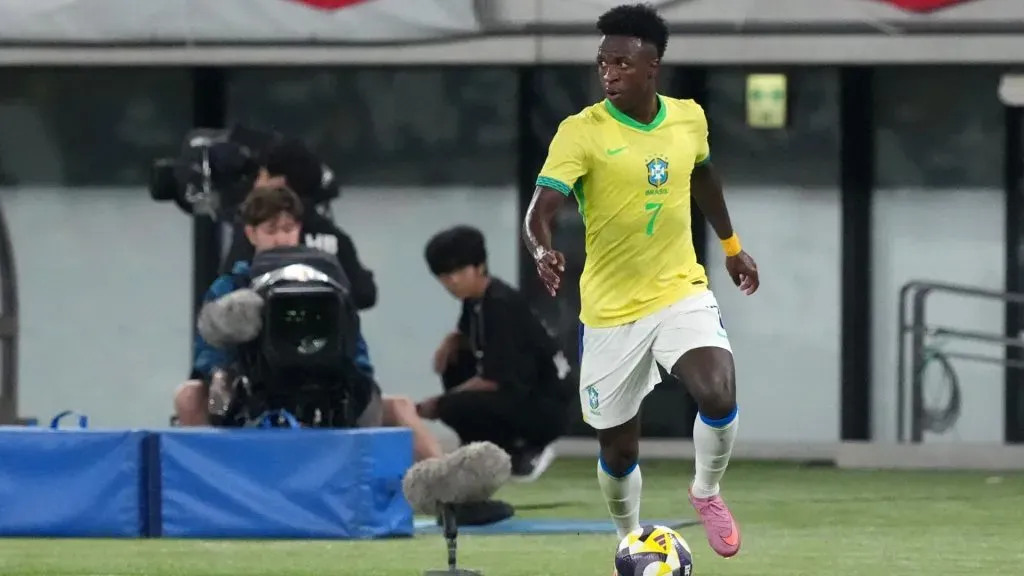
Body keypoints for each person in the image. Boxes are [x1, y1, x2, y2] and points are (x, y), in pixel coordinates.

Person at [522, 3, 760, 559]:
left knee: (718, 391)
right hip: (610, 315)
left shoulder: (688, 118)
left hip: (680, 290)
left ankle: (706, 491)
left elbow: (701, 175)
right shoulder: (580, 132)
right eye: (603, 63)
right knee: (619, 450)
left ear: (653, 66)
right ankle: (629, 540)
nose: (610, 73)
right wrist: (541, 251)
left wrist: (731, 247)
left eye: (623, 63)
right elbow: (540, 212)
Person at [174, 185, 444, 462]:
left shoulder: (329, 283)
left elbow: (356, 351)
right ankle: (209, 484)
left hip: (325, 390)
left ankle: (452, 491)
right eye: (271, 230)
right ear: (251, 233)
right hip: (253, 392)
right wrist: (223, 373)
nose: (281, 239)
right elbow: (206, 354)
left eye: (288, 228)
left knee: (398, 406)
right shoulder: (230, 286)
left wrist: (358, 386)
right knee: (189, 395)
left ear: (299, 229)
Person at [418, 225, 569, 482]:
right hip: (528, 392)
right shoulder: (475, 300)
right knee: (455, 363)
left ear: (479, 266)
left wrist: (437, 403)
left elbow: (494, 379)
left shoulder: (500, 305)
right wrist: (451, 340)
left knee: (452, 406)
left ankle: (523, 449)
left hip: (546, 406)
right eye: (443, 275)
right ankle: (487, 448)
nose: (451, 281)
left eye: (458, 271)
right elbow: (468, 337)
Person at [220, 138, 377, 311]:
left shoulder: (261, 233)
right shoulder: (333, 235)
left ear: (278, 182)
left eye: (261, 176)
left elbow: (226, 295)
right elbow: (365, 293)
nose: (256, 183)